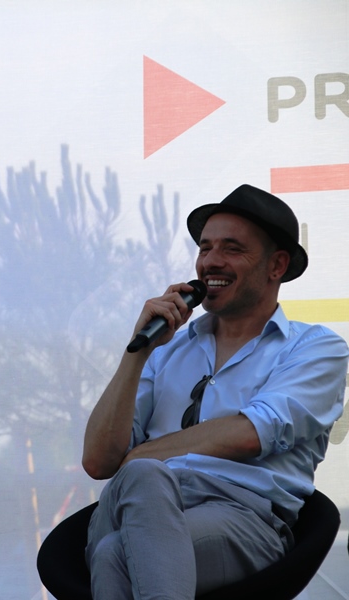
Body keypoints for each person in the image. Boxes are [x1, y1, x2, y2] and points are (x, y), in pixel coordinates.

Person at [81, 184, 348, 599]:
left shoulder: (315, 348)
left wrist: (139, 456)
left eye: (232, 248)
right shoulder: (166, 350)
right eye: (205, 248)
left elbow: (251, 433)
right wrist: (138, 351)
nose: (210, 262)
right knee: (139, 485)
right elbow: (99, 461)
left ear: (276, 265)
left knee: (115, 551)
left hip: (240, 515)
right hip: (135, 502)